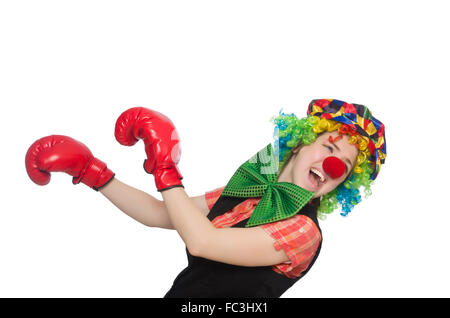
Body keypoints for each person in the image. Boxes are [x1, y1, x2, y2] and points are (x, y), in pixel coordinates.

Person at [25, 98, 386, 297]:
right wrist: (94, 172)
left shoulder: (303, 231)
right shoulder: (247, 195)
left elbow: (201, 241)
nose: (334, 165)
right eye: (328, 146)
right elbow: (161, 214)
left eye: (346, 165)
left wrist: (164, 166)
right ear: (301, 142)